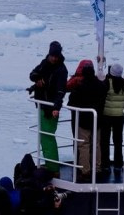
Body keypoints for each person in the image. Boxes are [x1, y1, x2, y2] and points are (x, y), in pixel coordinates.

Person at [29, 41, 68, 174]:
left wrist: (56, 107)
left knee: (48, 136)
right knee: (44, 136)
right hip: (42, 105)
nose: (53, 58)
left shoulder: (61, 70)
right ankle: (50, 164)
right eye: (52, 55)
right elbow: (32, 74)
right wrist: (37, 79)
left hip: (51, 108)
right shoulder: (44, 63)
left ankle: (53, 168)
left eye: (56, 56)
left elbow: (60, 91)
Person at [66, 59, 105, 180]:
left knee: (83, 145)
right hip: (97, 119)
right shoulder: (101, 86)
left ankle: (85, 170)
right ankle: (98, 168)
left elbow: (71, 102)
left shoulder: (80, 87)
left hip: (83, 120)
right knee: (97, 144)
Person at [100, 62, 124, 171]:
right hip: (120, 116)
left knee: (105, 140)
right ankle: (118, 164)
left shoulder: (107, 83)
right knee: (118, 140)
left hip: (106, 115)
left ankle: (105, 164)